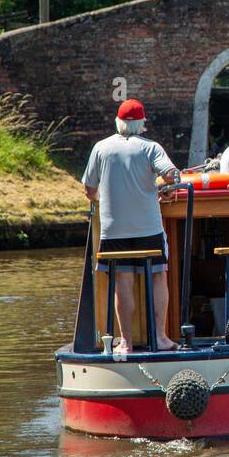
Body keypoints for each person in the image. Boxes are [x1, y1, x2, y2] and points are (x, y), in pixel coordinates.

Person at [82, 98, 180, 353]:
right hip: (149, 228)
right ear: (141, 124)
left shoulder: (100, 148)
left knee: (122, 282)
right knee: (158, 275)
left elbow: (89, 189)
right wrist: (166, 189)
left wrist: (103, 199)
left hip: (114, 230)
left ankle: (126, 342)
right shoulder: (151, 148)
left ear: (118, 122)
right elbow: (171, 175)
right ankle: (159, 337)